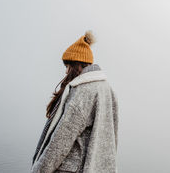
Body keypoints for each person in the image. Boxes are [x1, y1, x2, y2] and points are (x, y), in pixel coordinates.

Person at [31, 30, 118, 173]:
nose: (66, 72)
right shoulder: (107, 89)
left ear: (77, 65)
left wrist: (39, 170)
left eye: (67, 66)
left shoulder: (83, 91)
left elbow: (60, 141)